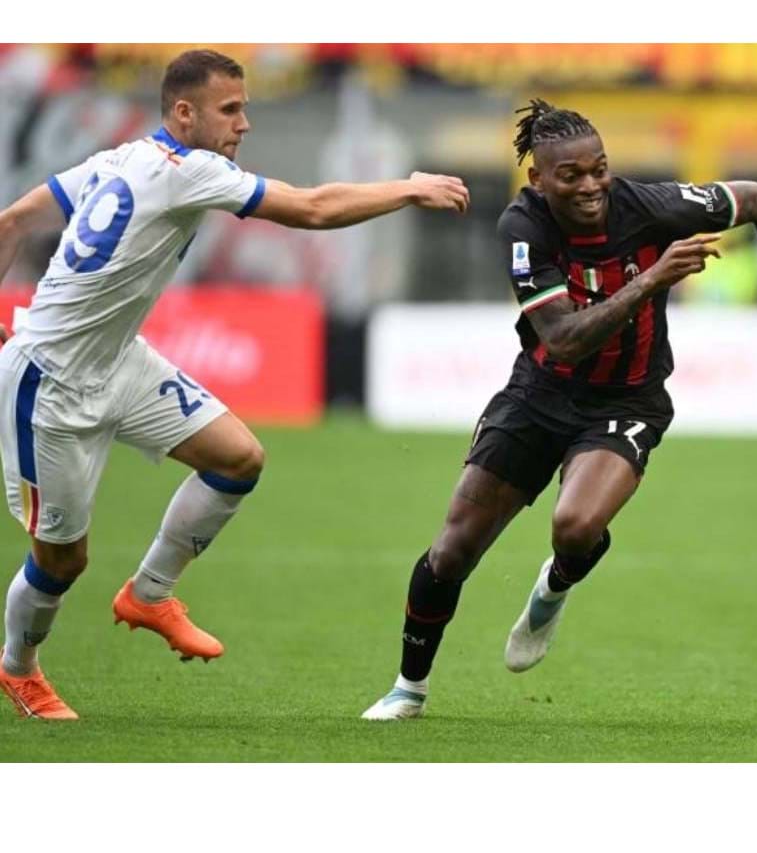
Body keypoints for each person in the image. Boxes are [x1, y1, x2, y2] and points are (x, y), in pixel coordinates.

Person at [0, 49, 470, 719]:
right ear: (184, 113)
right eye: (231, 109)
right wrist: (407, 187)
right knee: (62, 562)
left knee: (238, 457)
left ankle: (151, 593)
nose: (243, 123)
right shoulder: (191, 171)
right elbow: (310, 208)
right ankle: (18, 669)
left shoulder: (122, 158)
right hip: (50, 386)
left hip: (116, 360)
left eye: (244, 108)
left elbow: (12, 222)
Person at [362, 99, 757, 720]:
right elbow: (563, 338)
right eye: (570, 175)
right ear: (538, 180)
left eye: (598, 169)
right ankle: (407, 690)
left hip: (626, 399)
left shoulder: (652, 207)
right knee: (452, 552)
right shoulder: (523, 229)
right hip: (538, 394)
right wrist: (651, 280)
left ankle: (553, 588)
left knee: (575, 527)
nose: (590, 186)